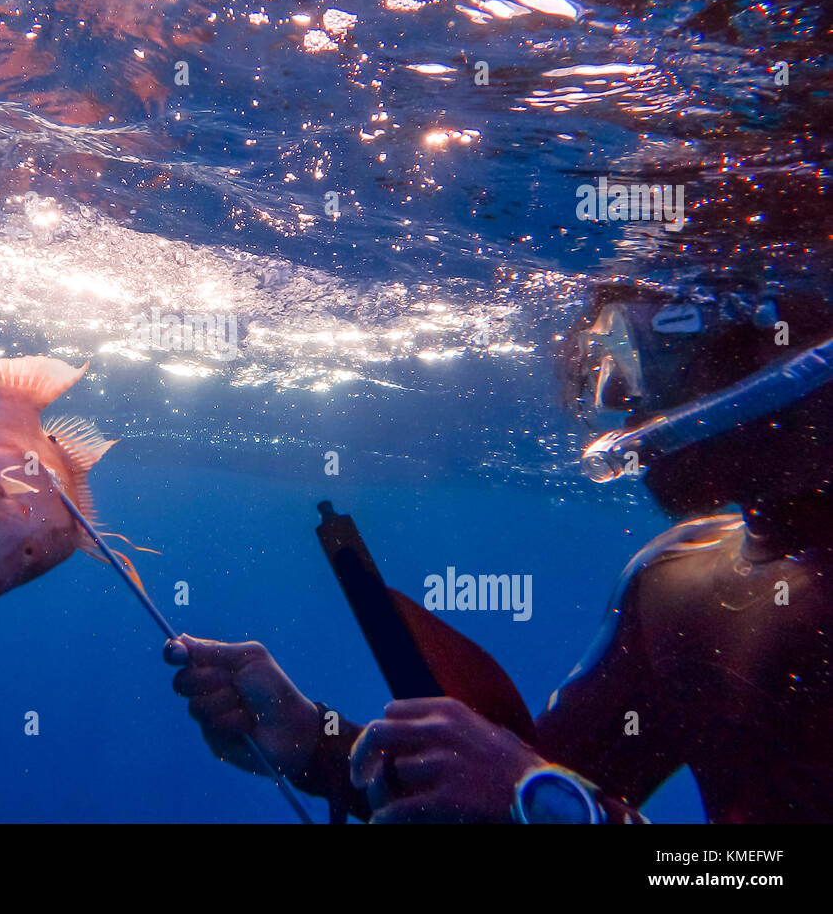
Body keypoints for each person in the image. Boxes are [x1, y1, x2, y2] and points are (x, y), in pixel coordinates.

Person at [167, 281, 833, 823]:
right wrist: (319, 744)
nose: (614, 397)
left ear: (771, 322)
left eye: (638, 346)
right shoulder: (671, 585)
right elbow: (509, 789)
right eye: (600, 360)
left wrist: (537, 801)